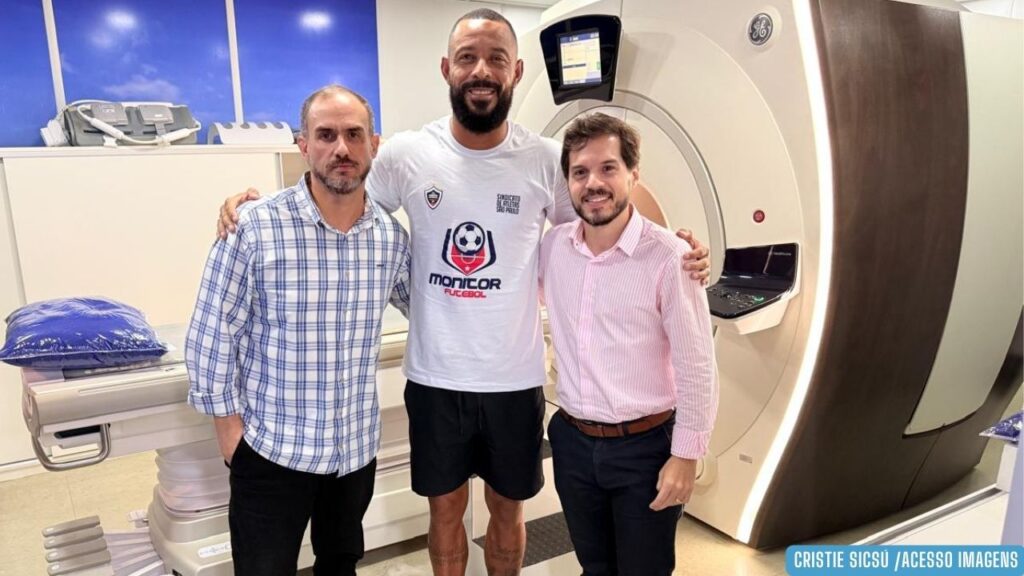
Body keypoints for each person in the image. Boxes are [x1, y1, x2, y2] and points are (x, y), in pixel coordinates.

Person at [215, 10, 711, 575]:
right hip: (436, 378)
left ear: (515, 71)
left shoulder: (545, 160)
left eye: (496, 58)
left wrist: (675, 246)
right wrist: (255, 206)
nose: (481, 70)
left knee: (507, 511)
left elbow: (611, 209)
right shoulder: (405, 154)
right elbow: (337, 194)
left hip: (513, 379)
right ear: (447, 69)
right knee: (445, 513)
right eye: (468, 58)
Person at [185, 85, 411, 576]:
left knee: (340, 565)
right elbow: (212, 334)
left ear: (374, 144)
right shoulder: (254, 227)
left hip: (353, 451)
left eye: (354, 135)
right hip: (272, 451)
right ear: (303, 145)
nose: (341, 148)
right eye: (326, 135)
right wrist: (232, 439)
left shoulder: (390, 238)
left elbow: (431, 306)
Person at [540, 112, 718, 576]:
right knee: (594, 568)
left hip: (645, 448)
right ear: (568, 182)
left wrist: (686, 455)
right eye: (580, 172)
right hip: (573, 442)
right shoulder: (553, 249)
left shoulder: (671, 258)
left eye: (608, 168)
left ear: (633, 174)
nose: (593, 183)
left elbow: (697, 365)